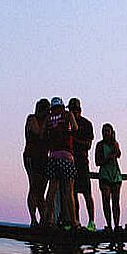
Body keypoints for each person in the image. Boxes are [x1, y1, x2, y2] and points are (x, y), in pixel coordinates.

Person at [44, 97, 79, 229]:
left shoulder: (49, 118)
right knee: (69, 190)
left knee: (51, 190)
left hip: (52, 156)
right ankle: (74, 221)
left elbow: (42, 134)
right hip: (66, 155)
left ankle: (46, 220)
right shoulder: (67, 114)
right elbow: (75, 128)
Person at [68, 98, 96, 231]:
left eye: (72, 110)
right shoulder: (67, 123)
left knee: (86, 193)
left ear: (78, 110)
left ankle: (91, 222)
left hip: (82, 162)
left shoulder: (87, 124)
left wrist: (74, 140)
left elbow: (88, 145)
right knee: (72, 194)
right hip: (70, 162)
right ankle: (76, 222)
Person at [23, 98, 50, 227]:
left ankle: (43, 219)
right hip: (32, 156)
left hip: (44, 158)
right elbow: (38, 133)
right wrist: (46, 122)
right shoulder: (32, 119)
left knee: (41, 190)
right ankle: (33, 219)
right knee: (34, 187)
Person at [94, 123, 122, 231]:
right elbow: (97, 162)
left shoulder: (115, 144)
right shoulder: (100, 145)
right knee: (106, 200)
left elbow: (119, 154)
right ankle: (109, 225)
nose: (105, 133)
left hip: (115, 174)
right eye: (104, 131)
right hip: (104, 175)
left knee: (116, 201)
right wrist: (108, 158)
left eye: (108, 131)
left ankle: (117, 225)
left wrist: (115, 147)